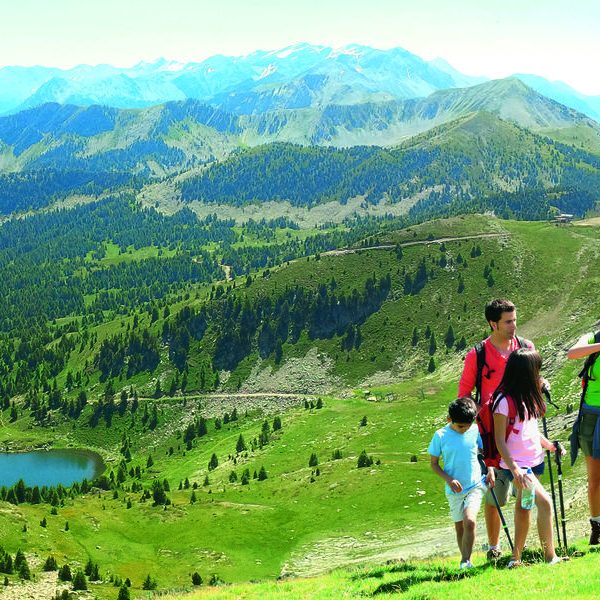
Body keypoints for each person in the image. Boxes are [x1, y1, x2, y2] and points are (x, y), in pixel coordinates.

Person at [458, 298, 533, 560]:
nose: (514, 325)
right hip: (493, 436)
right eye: (508, 321)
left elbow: (535, 380)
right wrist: (479, 411)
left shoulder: (525, 348)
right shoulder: (477, 355)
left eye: (514, 319)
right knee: (496, 496)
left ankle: (522, 547)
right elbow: (464, 395)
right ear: (493, 323)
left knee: (528, 491)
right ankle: (494, 546)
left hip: (524, 433)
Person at [493, 348, 566, 567]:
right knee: (545, 503)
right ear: (526, 372)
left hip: (532, 464)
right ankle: (550, 557)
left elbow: (530, 431)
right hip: (519, 467)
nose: (539, 374)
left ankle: (515, 559)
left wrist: (549, 445)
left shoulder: (529, 396)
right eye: (536, 369)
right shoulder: (503, 401)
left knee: (524, 508)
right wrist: (515, 469)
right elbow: (499, 440)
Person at [429, 397, 495, 569]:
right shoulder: (440, 436)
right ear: (449, 419)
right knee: (460, 527)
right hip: (454, 490)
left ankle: (465, 560)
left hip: (475, 484)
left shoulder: (474, 430)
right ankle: (466, 561)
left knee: (470, 521)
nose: (464, 430)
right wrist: (449, 479)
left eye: (467, 426)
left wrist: (490, 470)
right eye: (460, 427)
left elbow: (483, 453)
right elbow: (434, 464)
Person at [567, 332, 600, 545]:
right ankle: (597, 527)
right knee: (594, 477)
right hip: (590, 414)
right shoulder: (593, 337)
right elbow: (572, 354)